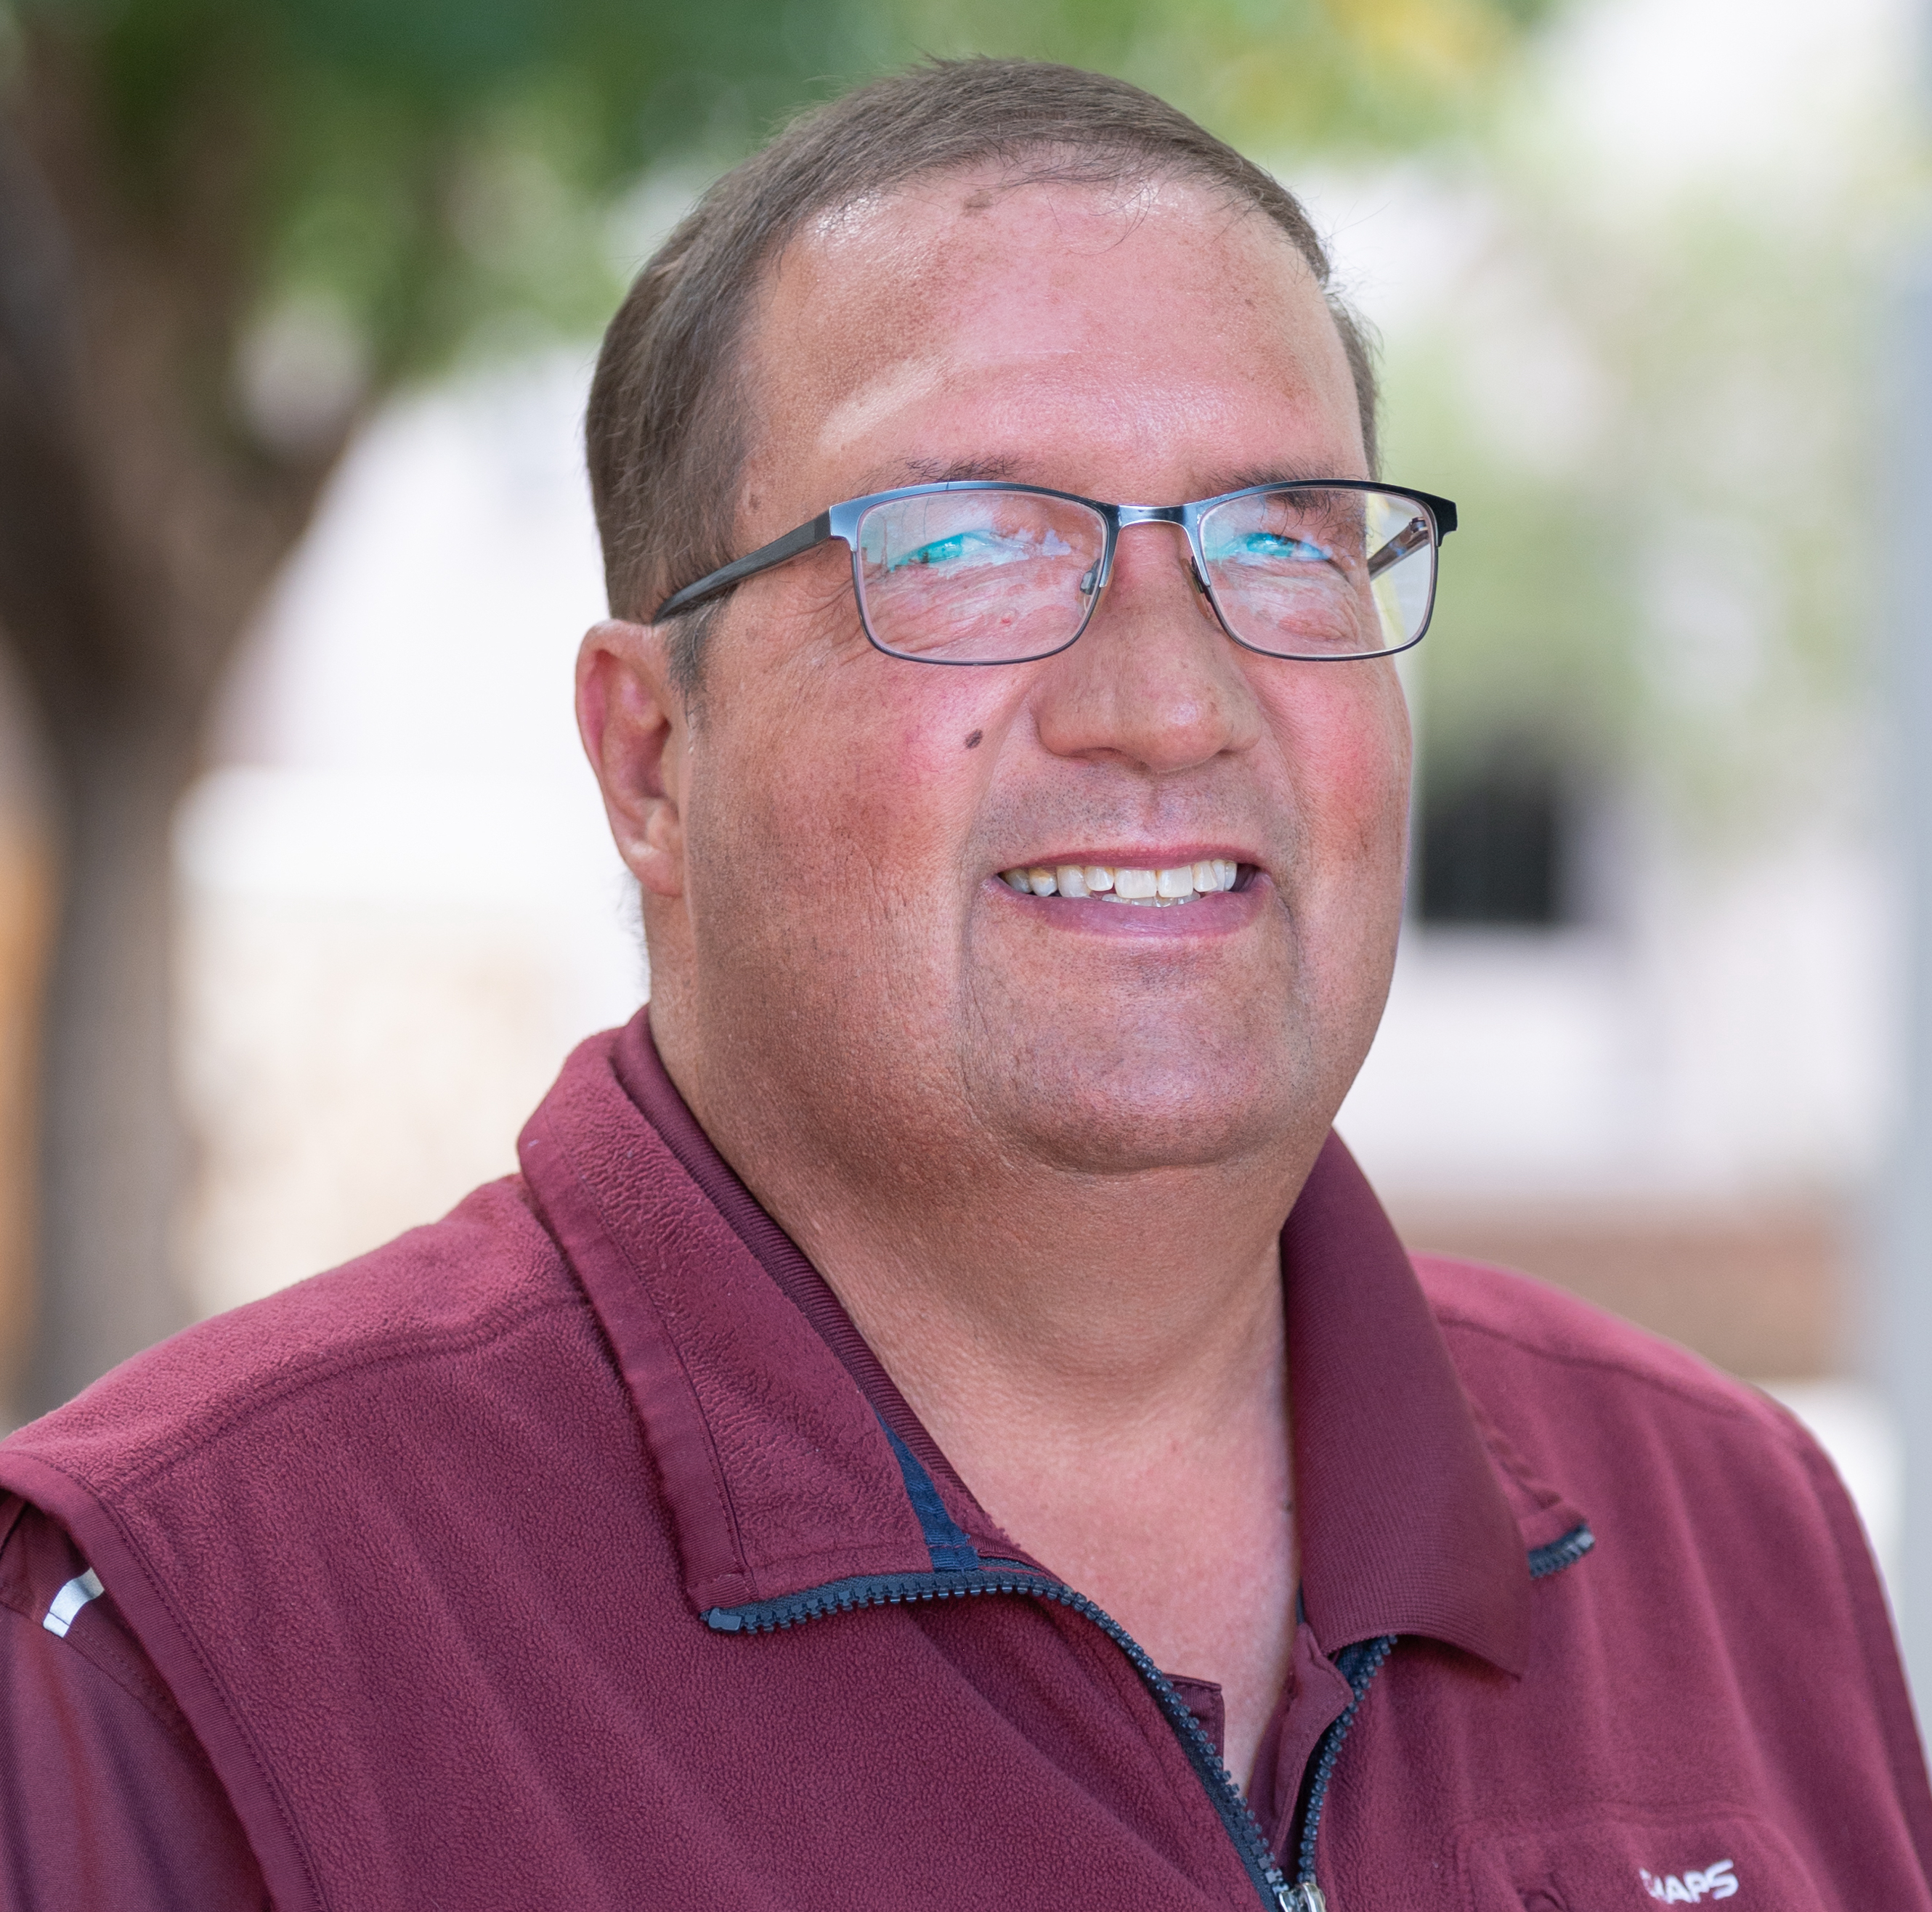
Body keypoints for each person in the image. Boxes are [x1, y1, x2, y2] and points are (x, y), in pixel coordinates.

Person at [1, 57, 1927, 1912]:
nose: (1167, 701)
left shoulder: (1715, 1528)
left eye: (1280, 539)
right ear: (648, 760)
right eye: (967, 546)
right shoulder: (181, 1642)